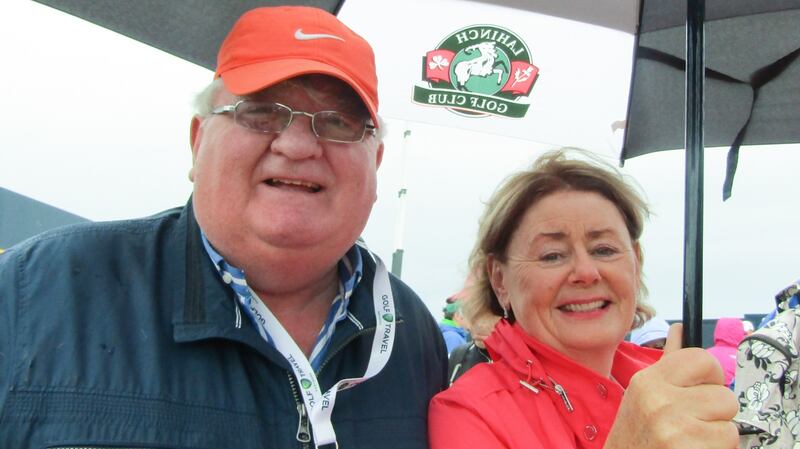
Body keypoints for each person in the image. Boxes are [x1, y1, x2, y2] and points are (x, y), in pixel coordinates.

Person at [0, 6, 447, 449]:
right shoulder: (37, 293)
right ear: (198, 141)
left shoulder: (413, 337)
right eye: (260, 113)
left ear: (377, 164)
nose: (296, 145)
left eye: (338, 123)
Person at [428, 148, 738, 449]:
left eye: (604, 249)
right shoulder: (470, 413)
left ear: (636, 261)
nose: (586, 272)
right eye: (552, 255)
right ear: (499, 280)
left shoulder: (680, 388)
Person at [706, 317, 747, 388]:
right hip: (733, 396)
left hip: (707, 395)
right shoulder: (744, 357)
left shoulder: (705, 354)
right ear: (740, 333)